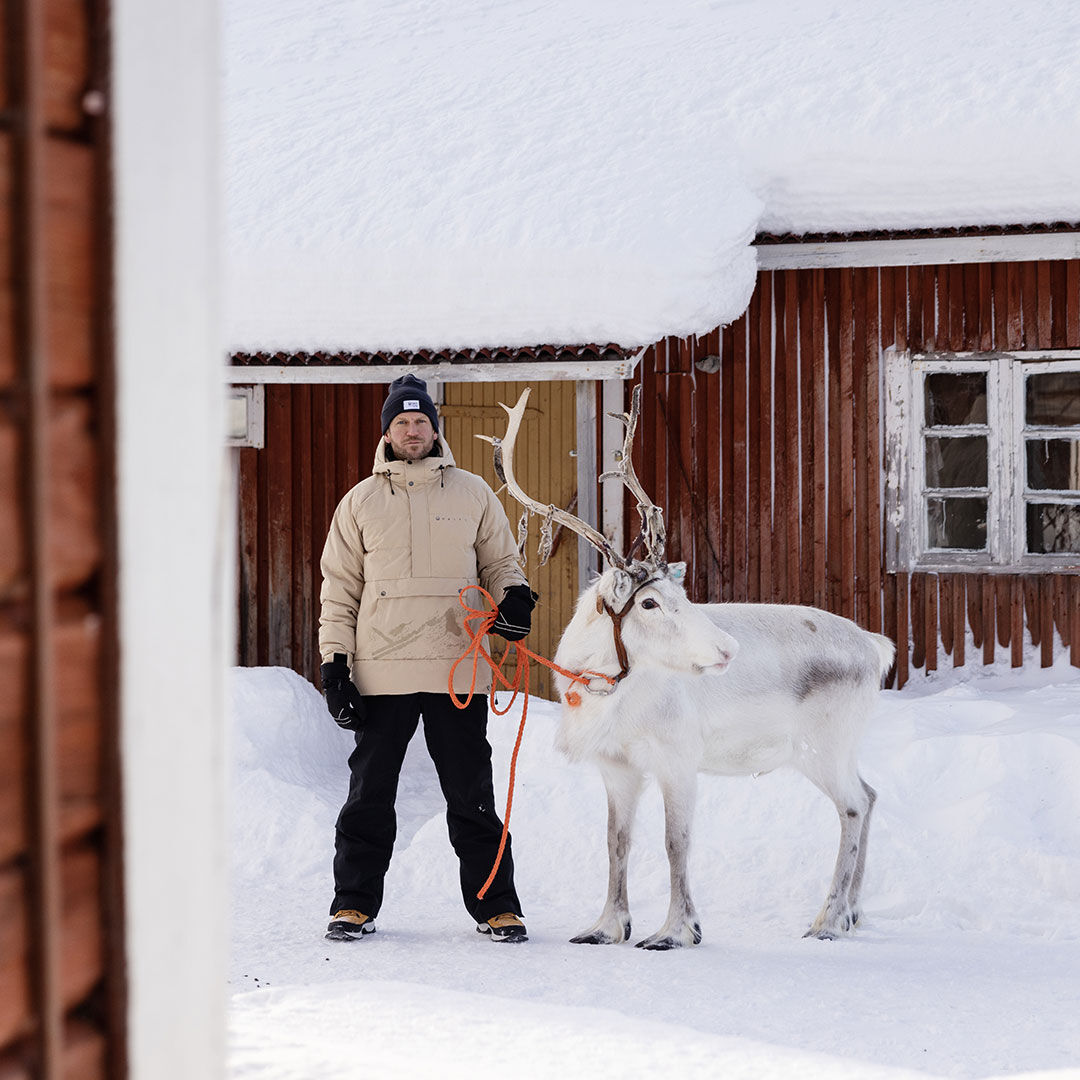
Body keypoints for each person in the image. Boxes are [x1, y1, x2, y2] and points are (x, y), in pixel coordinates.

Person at [318, 373, 537, 944]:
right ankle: (352, 904)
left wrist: (515, 598)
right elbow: (339, 589)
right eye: (402, 422)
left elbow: (502, 565)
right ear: (387, 431)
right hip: (381, 671)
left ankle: (497, 906)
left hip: (456, 668)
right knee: (370, 795)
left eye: (420, 421)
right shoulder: (360, 501)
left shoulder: (471, 493)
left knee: (472, 795)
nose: (412, 431)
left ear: (435, 430)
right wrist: (335, 665)